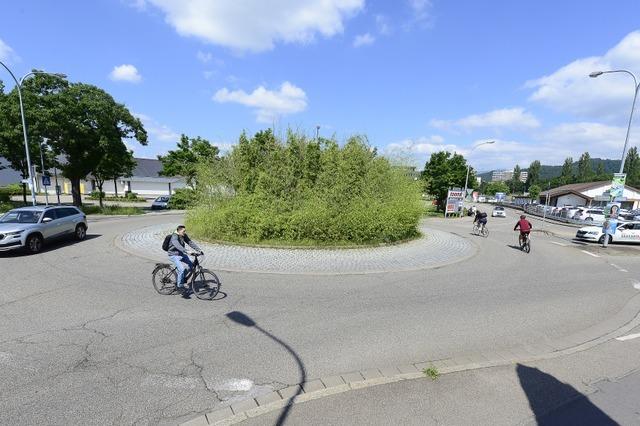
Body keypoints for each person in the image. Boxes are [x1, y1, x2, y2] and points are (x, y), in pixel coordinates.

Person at [167, 225, 203, 291]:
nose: (184, 232)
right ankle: (179, 286)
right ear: (179, 231)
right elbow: (177, 245)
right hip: (173, 255)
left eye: (185, 231)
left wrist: (199, 250)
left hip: (181, 254)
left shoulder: (183, 235)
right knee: (182, 269)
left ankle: (181, 278)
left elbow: (190, 242)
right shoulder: (174, 237)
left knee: (191, 265)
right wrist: (187, 251)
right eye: (183, 231)